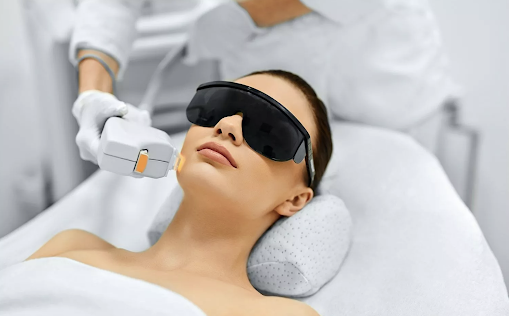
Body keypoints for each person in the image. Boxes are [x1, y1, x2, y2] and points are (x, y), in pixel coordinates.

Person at [23, 70, 334, 316]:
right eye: (218, 108)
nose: (227, 127)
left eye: (269, 131)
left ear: (294, 199)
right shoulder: (71, 246)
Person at [70, 0, 456, 166]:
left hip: (378, 75)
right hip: (263, 75)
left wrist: (251, 14)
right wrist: (93, 92)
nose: (225, 132)